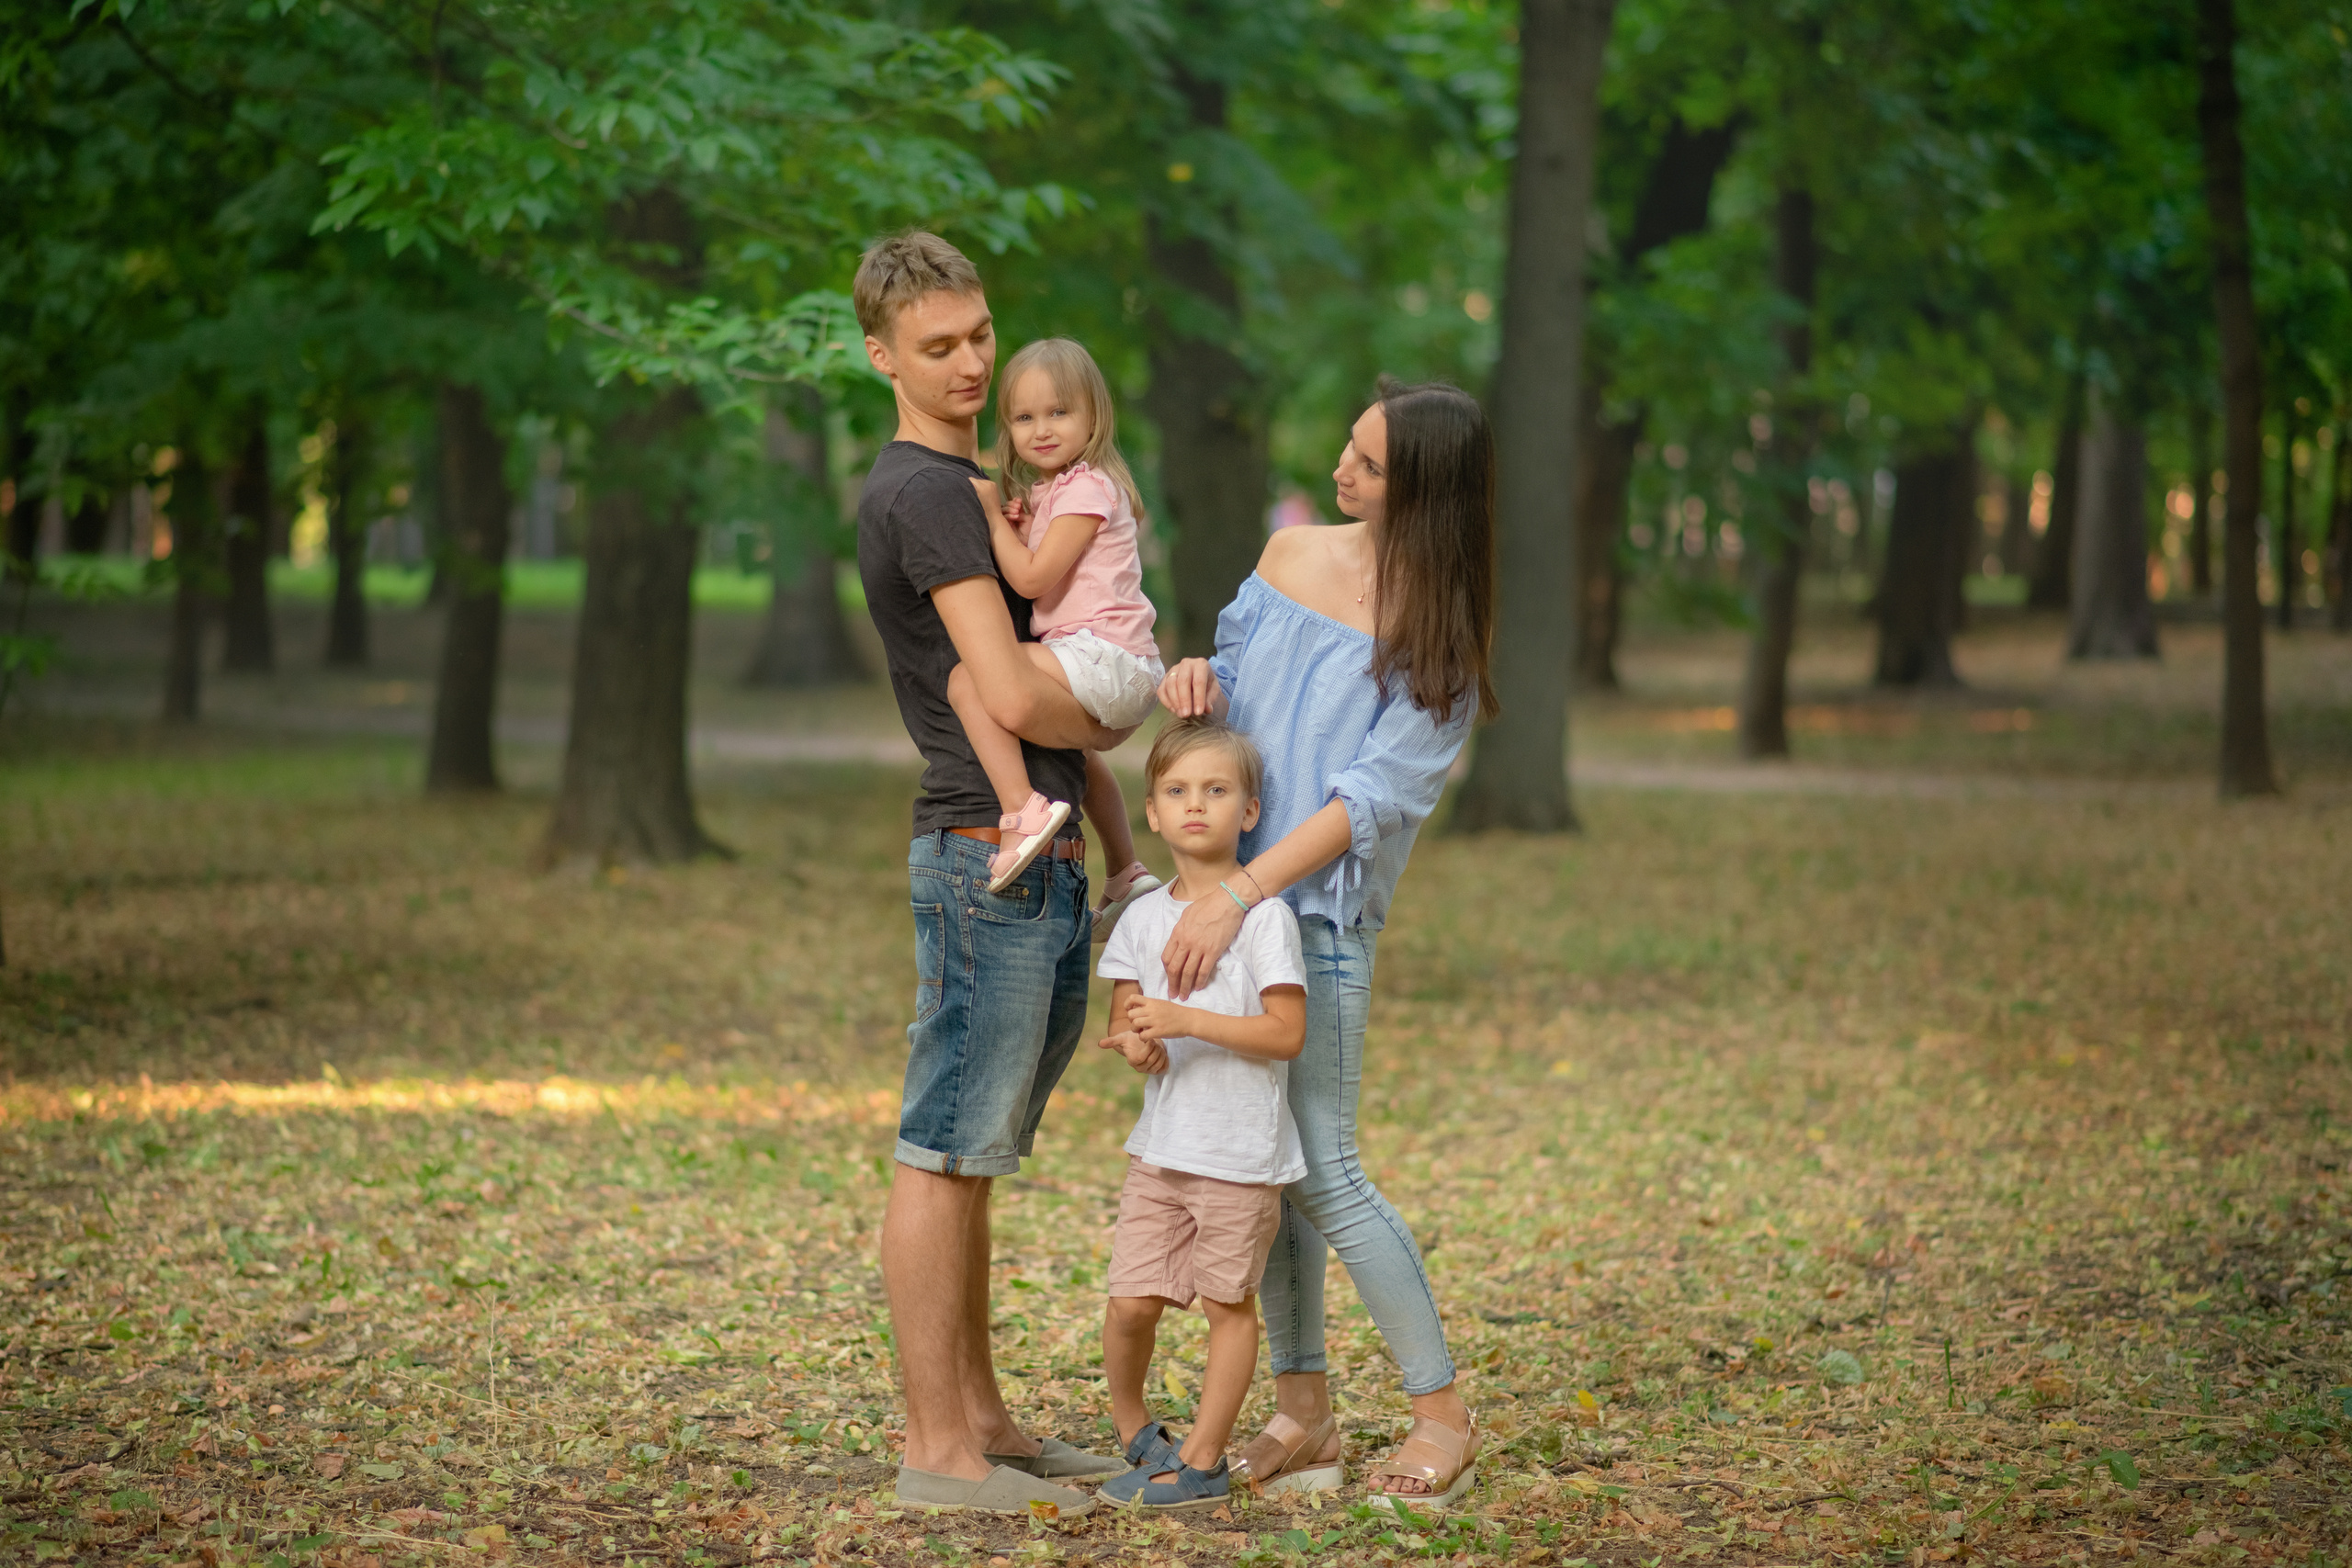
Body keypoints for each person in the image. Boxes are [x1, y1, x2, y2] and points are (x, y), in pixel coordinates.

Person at [1155, 378, 1498, 1511]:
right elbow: (1231, 711)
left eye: (1369, 466)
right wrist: (1196, 688)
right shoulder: (1290, 557)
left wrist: (1243, 893)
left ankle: (1440, 1413)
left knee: (1329, 1172)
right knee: (1270, 1168)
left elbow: (1366, 801)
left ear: (1429, 498)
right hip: (1229, 911)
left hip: (1315, 925)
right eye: (1347, 451)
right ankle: (1302, 1412)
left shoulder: (1443, 633)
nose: (1339, 474)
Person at [853, 231, 1139, 1517]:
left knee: (977, 1154)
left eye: (979, 336)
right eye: (939, 347)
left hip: (1039, 844)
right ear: (881, 357)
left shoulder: (993, 488)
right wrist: (1124, 720)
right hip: (985, 842)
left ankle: (985, 1421)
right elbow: (1018, 688)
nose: (971, 364)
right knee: (941, 1146)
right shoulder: (925, 493)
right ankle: (939, 1452)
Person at [1091, 716, 1306, 1515]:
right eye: (1177, 791)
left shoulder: (1265, 916)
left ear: (1248, 812)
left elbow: (1287, 1034)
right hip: (1162, 1150)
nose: (1195, 805)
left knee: (1227, 1306)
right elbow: (1132, 1026)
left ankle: (1205, 1458)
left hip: (1240, 1155)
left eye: (1216, 791)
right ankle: (1136, 1428)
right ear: (1151, 812)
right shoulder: (1142, 920)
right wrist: (1140, 1046)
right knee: (1130, 1302)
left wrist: (1189, 1023)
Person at [948, 337, 1165, 929]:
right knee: (1066, 750)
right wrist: (1019, 526)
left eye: (1058, 412)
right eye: (1024, 417)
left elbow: (1033, 579)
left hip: (1107, 657)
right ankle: (1125, 871)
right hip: (1110, 663)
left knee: (971, 680)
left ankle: (1022, 811)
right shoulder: (1055, 494)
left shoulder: (1088, 488)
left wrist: (994, 520)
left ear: (1094, 416)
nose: (1041, 429)